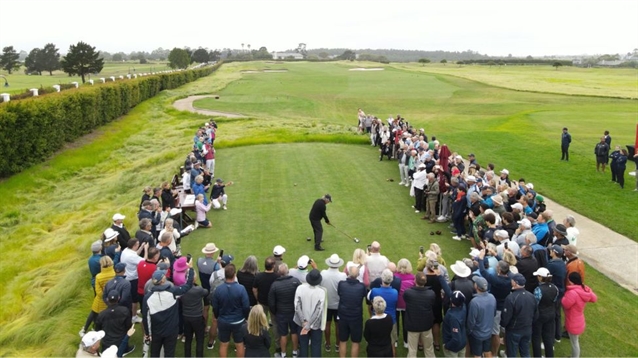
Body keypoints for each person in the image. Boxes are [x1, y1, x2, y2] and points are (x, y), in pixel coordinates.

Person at [142, 265, 195, 357]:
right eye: (164, 276)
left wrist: (148, 333)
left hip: (156, 331)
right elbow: (188, 286)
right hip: (171, 331)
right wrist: (191, 270)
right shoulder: (173, 292)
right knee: (169, 354)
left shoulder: (147, 298)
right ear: (162, 281)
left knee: (154, 353)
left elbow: (146, 318)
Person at [213, 263, 250, 358]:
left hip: (223, 321)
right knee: (239, 344)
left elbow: (215, 307)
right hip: (238, 321)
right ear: (234, 275)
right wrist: (246, 318)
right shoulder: (241, 289)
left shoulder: (218, 289)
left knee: (224, 344)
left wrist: (217, 316)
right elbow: (246, 306)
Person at [269, 263, 302, 358]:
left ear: (279, 273)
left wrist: (275, 312)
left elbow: (271, 302)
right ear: (287, 272)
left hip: (282, 314)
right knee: (294, 332)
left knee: (283, 334)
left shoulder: (275, 285)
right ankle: (295, 353)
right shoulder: (295, 281)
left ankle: (283, 354)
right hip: (293, 312)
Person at [501, 273, 538, 358]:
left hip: (514, 331)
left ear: (515, 283)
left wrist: (503, 325)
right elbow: (536, 314)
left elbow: (506, 318)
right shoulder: (531, 296)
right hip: (527, 329)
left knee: (512, 354)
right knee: (525, 352)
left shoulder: (511, 298)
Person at [293, 269, 328, 357]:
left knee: (303, 346)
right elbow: (318, 311)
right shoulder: (321, 291)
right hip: (314, 324)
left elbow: (297, 306)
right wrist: (307, 324)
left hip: (303, 324)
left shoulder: (300, 288)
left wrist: (304, 323)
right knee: (315, 346)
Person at [562, 272, 597, 358]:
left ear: (571, 281)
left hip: (573, 322)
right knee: (575, 341)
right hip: (579, 320)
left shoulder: (573, 293)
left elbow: (565, 304)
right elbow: (594, 298)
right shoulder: (583, 289)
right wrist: (588, 290)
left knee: (574, 343)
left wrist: (562, 297)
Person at [80, 256, 115, 337]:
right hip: (112, 299)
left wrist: (104, 296)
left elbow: (98, 291)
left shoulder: (99, 276)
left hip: (101, 300)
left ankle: (85, 329)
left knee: (93, 313)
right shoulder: (114, 273)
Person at [403, 272, 436, 358]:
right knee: (429, 349)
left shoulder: (408, 293)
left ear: (415, 280)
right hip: (425, 326)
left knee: (412, 350)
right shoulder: (430, 293)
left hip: (414, 326)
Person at [337, 265, 367, 358]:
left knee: (344, 340)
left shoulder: (342, 284)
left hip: (346, 317)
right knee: (354, 341)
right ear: (358, 274)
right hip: (354, 317)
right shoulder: (361, 286)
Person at [367, 269, 399, 356]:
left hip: (377, 321)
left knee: (376, 343)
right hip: (391, 321)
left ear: (382, 278)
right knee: (392, 344)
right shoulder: (395, 292)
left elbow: (369, 300)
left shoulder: (374, 291)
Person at [320, 254, 347, 353]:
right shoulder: (342, 276)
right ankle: (337, 344)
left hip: (327, 304)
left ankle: (328, 344)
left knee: (327, 324)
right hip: (338, 305)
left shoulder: (323, 273)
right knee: (338, 325)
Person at [95, 290, 134, 357]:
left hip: (106, 344)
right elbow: (128, 327)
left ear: (107, 299)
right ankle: (125, 349)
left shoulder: (101, 314)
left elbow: (98, 330)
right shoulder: (125, 310)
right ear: (119, 298)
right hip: (121, 342)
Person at [531, 268, 559, 358]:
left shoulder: (538, 290)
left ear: (540, 277)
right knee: (548, 337)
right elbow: (554, 300)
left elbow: (535, 303)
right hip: (551, 314)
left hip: (540, 315)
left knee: (536, 337)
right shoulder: (555, 288)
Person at [467, 276, 496, 358]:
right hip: (488, 332)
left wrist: (469, 331)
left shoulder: (474, 302)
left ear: (476, 286)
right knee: (487, 351)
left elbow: (471, 321)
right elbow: (493, 313)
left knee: (477, 355)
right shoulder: (492, 297)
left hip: (477, 334)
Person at [442, 291, 467, 357]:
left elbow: (456, 339)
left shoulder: (453, 317)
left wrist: (447, 346)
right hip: (463, 343)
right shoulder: (463, 307)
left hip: (453, 348)